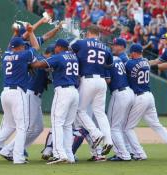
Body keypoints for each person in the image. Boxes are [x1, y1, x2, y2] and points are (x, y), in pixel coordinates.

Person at [0, 24, 39, 164]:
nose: (23, 47)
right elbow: (36, 47)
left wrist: (15, 34)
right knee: (22, 126)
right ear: (19, 47)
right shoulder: (22, 55)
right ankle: (18, 157)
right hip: (17, 93)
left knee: (10, 125)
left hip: (5, 93)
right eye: (21, 45)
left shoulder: (7, 55)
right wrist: (31, 32)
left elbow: (11, 44)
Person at [124, 43, 167, 160]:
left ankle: (139, 153)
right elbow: (144, 62)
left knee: (127, 128)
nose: (130, 54)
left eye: (131, 52)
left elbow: (125, 67)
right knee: (157, 126)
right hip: (149, 96)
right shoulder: (146, 62)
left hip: (140, 97)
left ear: (134, 53)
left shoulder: (130, 63)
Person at [31, 39, 79, 164]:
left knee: (57, 123)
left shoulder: (58, 57)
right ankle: (69, 156)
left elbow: (39, 65)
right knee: (68, 125)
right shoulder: (74, 57)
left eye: (55, 47)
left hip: (63, 91)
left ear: (58, 47)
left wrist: (30, 59)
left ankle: (59, 154)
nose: (54, 50)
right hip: (74, 92)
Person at [71, 25, 113, 156]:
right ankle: (108, 140)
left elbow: (69, 52)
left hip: (87, 79)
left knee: (79, 110)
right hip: (101, 81)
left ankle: (95, 133)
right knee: (100, 113)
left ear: (88, 32)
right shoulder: (105, 47)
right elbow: (109, 64)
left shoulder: (81, 43)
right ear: (98, 34)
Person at [106, 38, 135, 161]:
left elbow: (108, 80)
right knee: (121, 126)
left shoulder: (121, 58)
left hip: (120, 92)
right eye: (112, 45)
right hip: (128, 92)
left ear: (122, 46)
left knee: (113, 127)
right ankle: (128, 151)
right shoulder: (119, 58)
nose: (113, 47)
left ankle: (123, 154)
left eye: (115, 45)